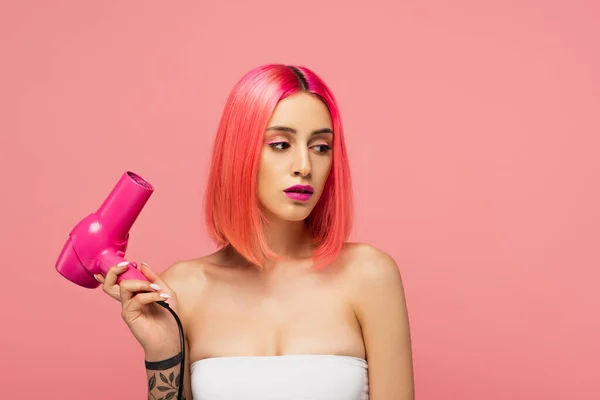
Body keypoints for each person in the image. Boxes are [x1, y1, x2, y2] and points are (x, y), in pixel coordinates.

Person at [95, 64, 415, 399]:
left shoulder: (368, 275)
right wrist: (162, 353)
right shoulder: (184, 289)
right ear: (240, 151)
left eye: (320, 147)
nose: (304, 166)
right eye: (280, 144)